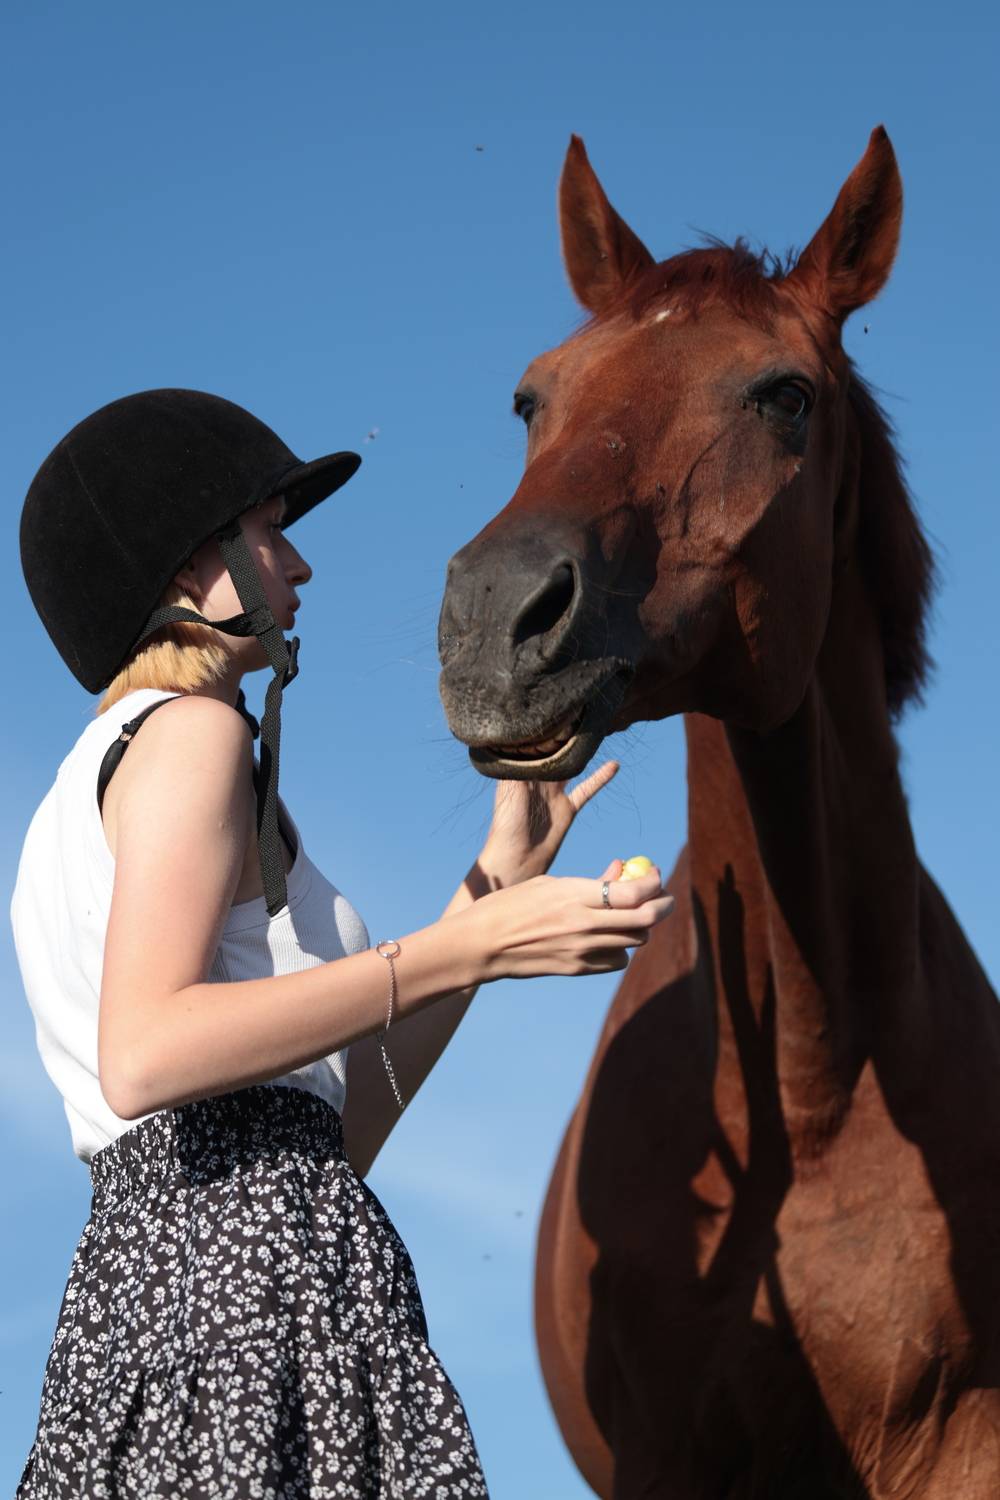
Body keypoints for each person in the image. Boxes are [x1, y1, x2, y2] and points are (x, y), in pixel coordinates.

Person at [11, 388, 674, 1499]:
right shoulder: (194, 735)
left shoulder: (90, 784)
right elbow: (146, 1052)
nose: (300, 566)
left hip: (184, 1296)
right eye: (271, 532)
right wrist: (474, 948)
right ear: (190, 566)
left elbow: (332, 1131)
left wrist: (490, 898)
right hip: (248, 1309)